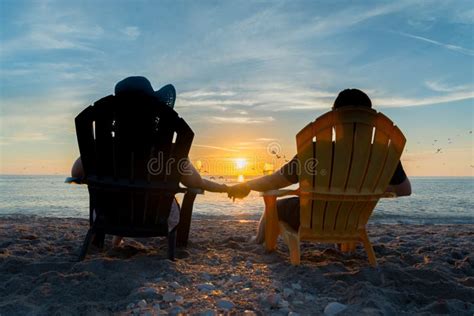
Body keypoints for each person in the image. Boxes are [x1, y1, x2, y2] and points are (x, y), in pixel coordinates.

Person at [227, 89, 412, 243]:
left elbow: (275, 181)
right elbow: (404, 189)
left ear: (335, 118)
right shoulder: (385, 154)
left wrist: (245, 186)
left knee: (277, 205)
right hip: (351, 220)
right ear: (371, 121)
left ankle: (258, 241)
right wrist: (364, 186)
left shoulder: (314, 151)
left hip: (312, 220)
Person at [71, 76, 228, 247]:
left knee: (114, 199)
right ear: (155, 115)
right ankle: (178, 244)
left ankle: (108, 239)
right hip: (156, 218)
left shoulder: (102, 151)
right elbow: (195, 182)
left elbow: (76, 172)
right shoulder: (169, 154)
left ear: (116, 117)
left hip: (109, 215)